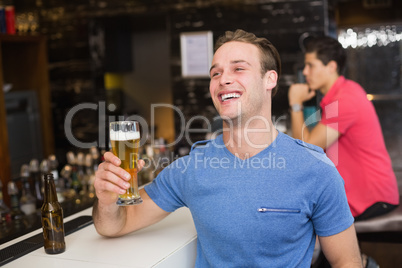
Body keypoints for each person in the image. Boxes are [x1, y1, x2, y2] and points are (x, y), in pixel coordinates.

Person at [93, 29, 362, 267]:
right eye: (216, 73)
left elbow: (347, 261)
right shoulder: (192, 167)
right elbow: (117, 224)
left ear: (270, 79)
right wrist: (106, 202)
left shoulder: (316, 170)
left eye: (238, 68)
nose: (223, 79)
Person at [288, 36, 399, 221]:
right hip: (364, 195)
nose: (305, 72)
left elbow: (307, 149)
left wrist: (295, 104)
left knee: (304, 218)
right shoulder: (342, 93)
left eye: (311, 65)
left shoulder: (344, 99)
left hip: (372, 199)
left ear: (331, 67)